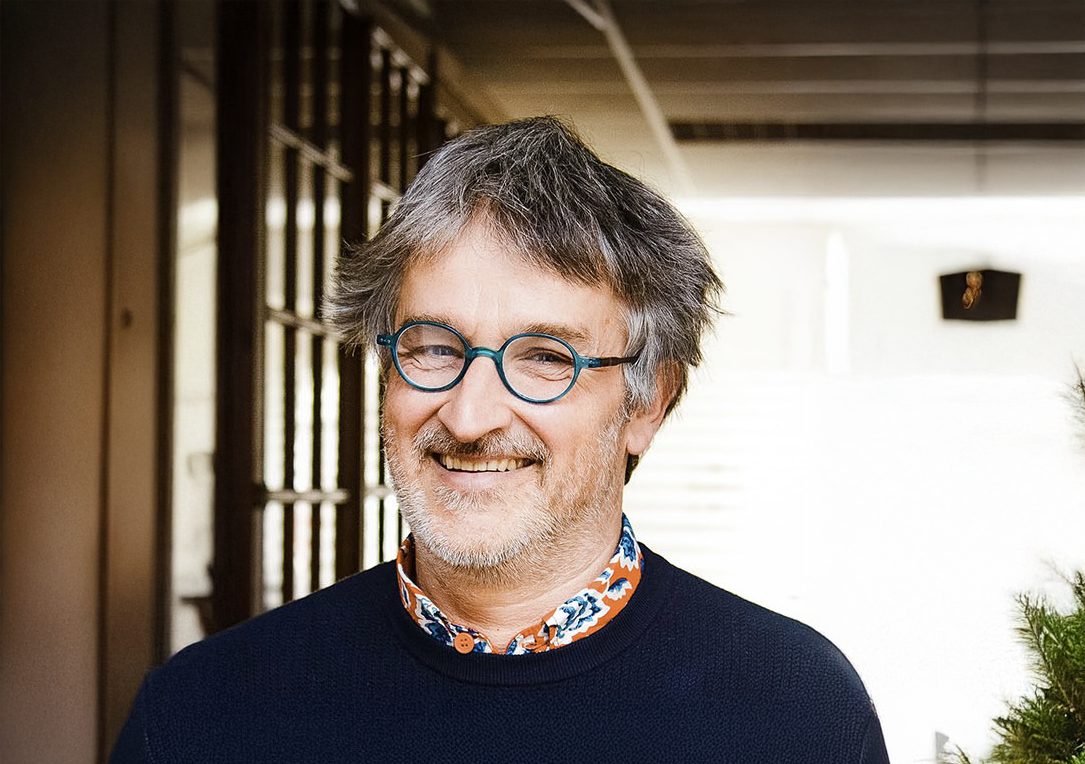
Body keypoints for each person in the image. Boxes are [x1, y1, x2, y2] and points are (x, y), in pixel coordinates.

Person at [112, 117, 889, 763]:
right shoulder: (201, 714)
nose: (469, 416)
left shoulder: (796, 711)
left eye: (545, 357)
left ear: (648, 400)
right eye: (432, 347)